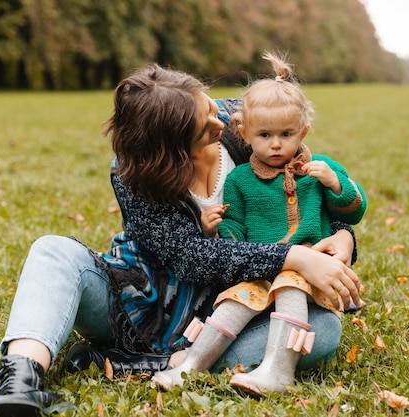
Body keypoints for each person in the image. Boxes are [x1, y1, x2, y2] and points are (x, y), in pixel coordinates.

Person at [0, 63, 363, 416]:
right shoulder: (134, 173)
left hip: (218, 316)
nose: (222, 121)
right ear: (169, 148)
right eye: (204, 125)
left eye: (211, 106)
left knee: (323, 331)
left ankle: (156, 364)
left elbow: (306, 194)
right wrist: (290, 257)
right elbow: (191, 258)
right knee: (52, 250)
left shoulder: (247, 122)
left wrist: (342, 236)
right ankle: (21, 384)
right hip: (134, 306)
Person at [151, 52, 366, 396]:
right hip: (259, 268)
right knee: (234, 301)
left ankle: (278, 371)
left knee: (291, 287)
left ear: (303, 131)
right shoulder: (240, 181)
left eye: (287, 134)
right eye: (265, 135)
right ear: (245, 134)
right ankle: (190, 366)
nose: (277, 144)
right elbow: (233, 231)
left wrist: (336, 184)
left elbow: (353, 211)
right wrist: (213, 229)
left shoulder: (320, 168)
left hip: (308, 268)